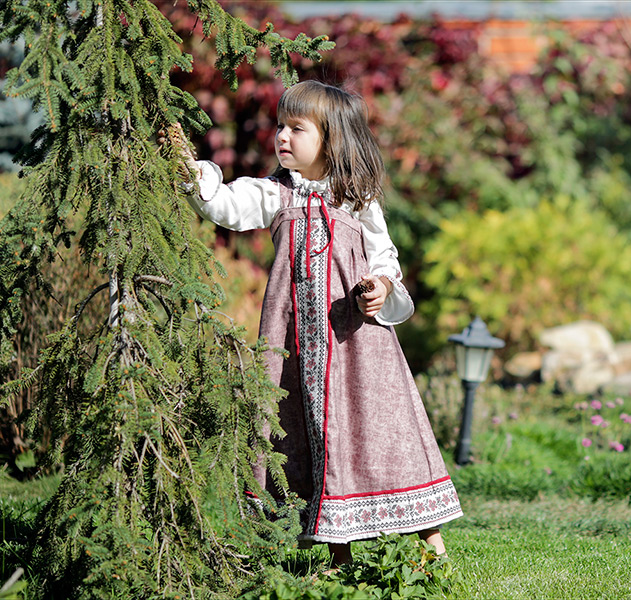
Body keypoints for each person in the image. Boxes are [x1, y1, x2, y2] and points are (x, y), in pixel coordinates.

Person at [173, 80, 462, 566]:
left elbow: (384, 255)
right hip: (294, 343)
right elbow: (221, 203)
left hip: (356, 342)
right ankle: (337, 552)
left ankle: (430, 541)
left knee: (380, 426)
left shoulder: (356, 197)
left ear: (330, 140)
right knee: (306, 430)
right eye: (280, 126)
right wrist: (190, 169)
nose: (282, 136)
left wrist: (382, 287)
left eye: (296, 128)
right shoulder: (272, 194)